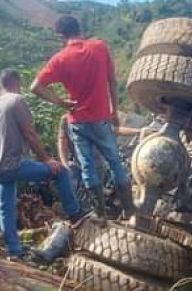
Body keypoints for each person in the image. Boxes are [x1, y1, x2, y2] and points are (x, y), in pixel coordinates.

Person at [0, 69, 83, 259]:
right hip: (14, 164)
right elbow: (29, 134)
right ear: (16, 83)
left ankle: (14, 251)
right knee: (60, 172)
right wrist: (46, 159)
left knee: (6, 207)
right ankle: (75, 214)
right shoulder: (16, 100)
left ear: (0, 85)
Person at [31, 15, 134, 217]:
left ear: (61, 35)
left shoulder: (59, 59)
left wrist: (61, 102)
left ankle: (100, 214)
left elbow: (35, 87)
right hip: (102, 118)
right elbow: (112, 82)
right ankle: (130, 210)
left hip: (77, 122)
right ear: (80, 28)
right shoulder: (100, 47)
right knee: (114, 161)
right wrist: (114, 112)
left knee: (87, 167)